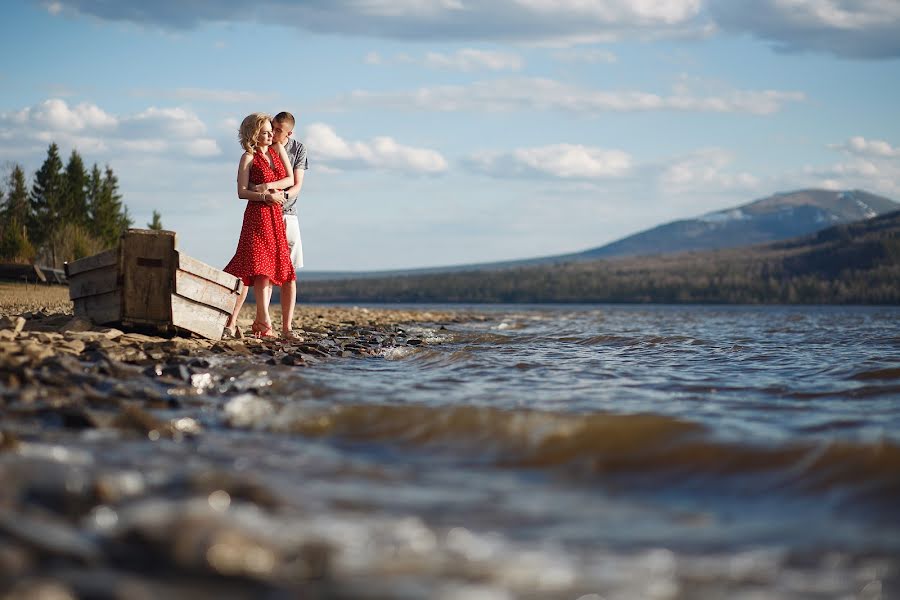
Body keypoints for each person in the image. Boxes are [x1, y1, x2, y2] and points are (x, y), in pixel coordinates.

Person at [224, 111, 308, 339]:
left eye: (272, 132)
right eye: (266, 132)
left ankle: (264, 323)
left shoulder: (278, 150)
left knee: (270, 268)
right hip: (258, 215)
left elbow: (291, 180)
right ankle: (260, 323)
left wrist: (266, 185)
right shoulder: (248, 157)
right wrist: (265, 196)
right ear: (254, 134)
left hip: (276, 215)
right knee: (257, 267)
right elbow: (241, 192)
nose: (271, 136)